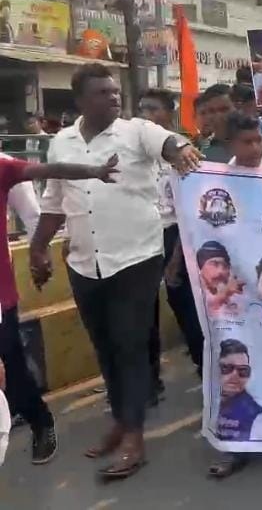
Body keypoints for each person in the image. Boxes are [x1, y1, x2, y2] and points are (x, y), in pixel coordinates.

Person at [29, 63, 201, 480]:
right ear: (80, 101)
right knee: (105, 347)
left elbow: (168, 142)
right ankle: (122, 422)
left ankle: (134, 438)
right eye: (102, 92)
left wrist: (180, 150)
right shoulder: (62, 143)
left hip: (136, 259)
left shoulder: (136, 131)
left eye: (114, 91)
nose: (113, 97)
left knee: (129, 345)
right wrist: (37, 248)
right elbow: (54, 201)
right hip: (84, 262)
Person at [0, 148, 121, 465]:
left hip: (0, 295)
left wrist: (94, 171)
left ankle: (40, 421)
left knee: (11, 363)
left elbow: (51, 169)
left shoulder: (3, 167)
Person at [137, 90, 205, 377]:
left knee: (184, 302)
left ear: (170, 113)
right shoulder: (134, 149)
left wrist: (177, 254)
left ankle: (205, 366)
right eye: (143, 108)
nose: (147, 115)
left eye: (154, 109)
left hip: (176, 233)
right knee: (142, 309)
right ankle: (149, 376)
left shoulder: (183, 149)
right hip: (143, 235)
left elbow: (191, 207)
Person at [197, 84, 262, 164]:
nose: (218, 116)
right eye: (211, 111)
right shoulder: (201, 151)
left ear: (238, 108)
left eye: (224, 109)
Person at [215, 339, 262, 443]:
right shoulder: (213, 401)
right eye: (227, 368)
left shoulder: (257, 418)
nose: (235, 375)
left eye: (243, 370)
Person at [196, 241, 243, 316]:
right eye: (214, 264)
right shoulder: (195, 293)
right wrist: (223, 295)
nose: (221, 271)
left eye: (225, 266)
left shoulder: (236, 298)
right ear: (201, 268)